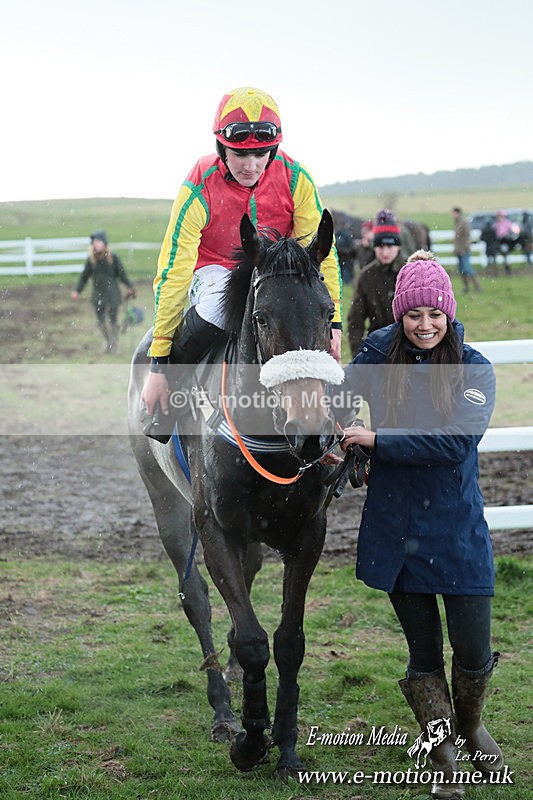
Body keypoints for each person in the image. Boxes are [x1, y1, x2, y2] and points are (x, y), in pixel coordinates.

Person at [337, 250, 503, 799]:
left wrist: (377, 440)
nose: (425, 325)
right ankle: (442, 751)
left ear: (448, 313)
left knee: (473, 651)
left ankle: (470, 725)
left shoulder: (474, 368)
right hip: (397, 526)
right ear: (399, 315)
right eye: (413, 315)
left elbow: (455, 444)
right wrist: (346, 430)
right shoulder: (379, 352)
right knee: (424, 654)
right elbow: (338, 397)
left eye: (435, 314)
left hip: (457, 527)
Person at [141, 86, 342, 424]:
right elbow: (174, 271)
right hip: (215, 271)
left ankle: (337, 417)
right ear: (221, 148)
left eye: (261, 154)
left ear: (272, 149)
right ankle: (172, 388)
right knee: (216, 307)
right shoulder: (198, 185)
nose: (251, 166)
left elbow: (321, 258)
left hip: (276, 273)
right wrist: (159, 361)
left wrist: (334, 323)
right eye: (239, 154)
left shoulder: (296, 178)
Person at [346, 209, 404, 357]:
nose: (385, 253)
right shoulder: (366, 276)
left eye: (390, 247)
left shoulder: (410, 271)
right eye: (380, 247)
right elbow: (355, 320)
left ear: (398, 246)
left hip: (408, 349)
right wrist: (359, 355)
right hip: (378, 349)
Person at [71, 230, 136, 353]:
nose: (95, 244)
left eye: (98, 242)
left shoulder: (113, 258)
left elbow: (122, 275)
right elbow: (84, 277)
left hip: (112, 294)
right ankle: (107, 341)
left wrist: (130, 287)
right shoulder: (91, 261)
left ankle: (115, 345)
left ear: (104, 243)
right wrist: (77, 291)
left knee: (113, 321)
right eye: (94, 242)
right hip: (98, 295)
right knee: (101, 322)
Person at [451, 207, 481, 292]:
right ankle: (466, 288)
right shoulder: (457, 222)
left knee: (467, 268)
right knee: (461, 270)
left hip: (464, 250)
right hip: (459, 250)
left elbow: (467, 235)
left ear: (458, 213)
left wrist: (465, 247)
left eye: (453, 213)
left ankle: (477, 287)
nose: (452, 215)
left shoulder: (464, 222)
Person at [493, 210, 516, 275]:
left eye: (500, 216)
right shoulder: (496, 224)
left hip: (505, 241)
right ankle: (496, 270)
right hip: (499, 241)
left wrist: (506, 235)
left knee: (505, 255)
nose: (499, 217)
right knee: (496, 254)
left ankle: (507, 269)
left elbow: (512, 232)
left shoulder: (507, 223)